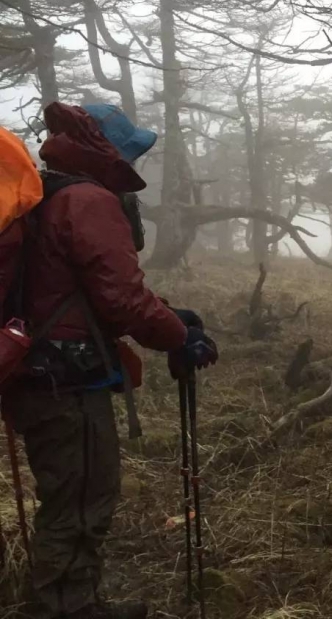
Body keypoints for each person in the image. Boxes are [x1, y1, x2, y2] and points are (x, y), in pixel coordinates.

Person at [0, 102, 219, 619]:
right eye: (128, 150)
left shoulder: (50, 193)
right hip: (65, 382)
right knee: (80, 501)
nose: (133, 161)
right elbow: (120, 298)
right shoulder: (89, 201)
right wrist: (177, 337)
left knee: (71, 495)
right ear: (106, 149)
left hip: (38, 376)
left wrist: (169, 316)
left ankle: (74, 600)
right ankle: (66, 609)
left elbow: (81, 292)